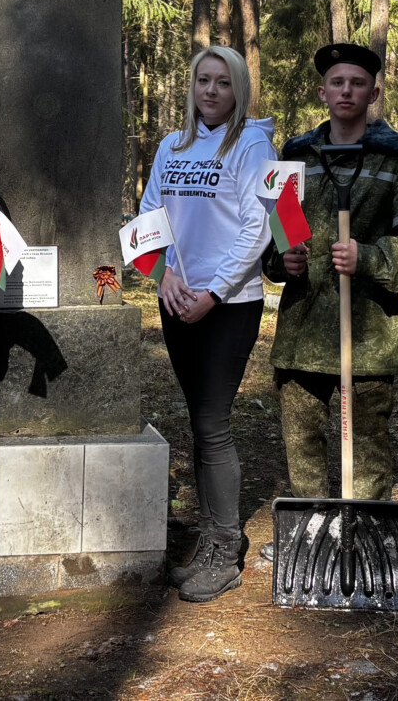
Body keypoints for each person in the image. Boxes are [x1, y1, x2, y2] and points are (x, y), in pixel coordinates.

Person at [263, 44, 398, 545]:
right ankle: (309, 529)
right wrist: (282, 261)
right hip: (303, 327)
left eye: (358, 83)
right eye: (337, 83)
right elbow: (276, 229)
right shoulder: (297, 155)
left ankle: (364, 528)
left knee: (366, 441)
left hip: (366, 330)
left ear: (374, 92)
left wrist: (371, 257)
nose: (347, 91)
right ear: (323, 92)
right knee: (301, 434)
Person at [140, 46, 275, 602]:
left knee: (214, 423)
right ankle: (210, 534)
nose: (211, 91)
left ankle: (225, 546)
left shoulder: (253, 144)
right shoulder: (172, 145)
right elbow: (149, 214)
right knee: (199, 422)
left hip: (230, 304)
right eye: (203, 80)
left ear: (238, 89)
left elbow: (258, 227)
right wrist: (164, 274)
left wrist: (215, 292)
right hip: (177, 299)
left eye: (223, 82)